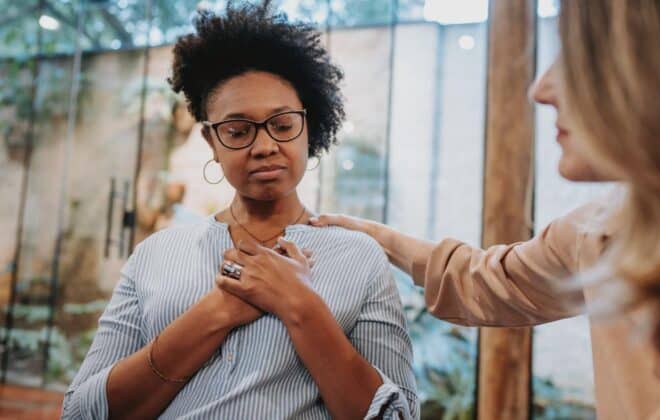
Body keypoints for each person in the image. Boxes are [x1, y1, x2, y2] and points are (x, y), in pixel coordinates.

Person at [312, 1, 660, 418]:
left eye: (580, 59)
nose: (540, 89)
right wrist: (374, 238)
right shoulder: (598, 235)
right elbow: (487, 281)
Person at [62, 3, 417, 419]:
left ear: (309, 127)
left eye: (282, 125)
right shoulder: (156, 254)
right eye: (238, 131)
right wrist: (218, 311)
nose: (264, 146)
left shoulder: (360, 257)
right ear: (211, 141)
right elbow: (81, 413)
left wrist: (298, 304)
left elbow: (397, 415)